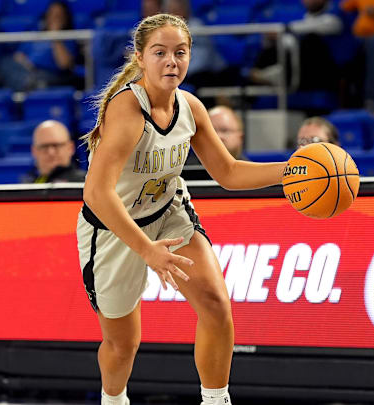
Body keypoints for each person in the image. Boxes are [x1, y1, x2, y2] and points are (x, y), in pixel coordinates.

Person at [77, 14, 287, 405]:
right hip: (113, 227)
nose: (171, 61)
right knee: (123, 345)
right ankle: (113, 398)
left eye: (180, 52)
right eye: (160, 53)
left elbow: (228, 172)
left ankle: (216, 399)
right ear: (140, 58)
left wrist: (291, 170)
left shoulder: (190, 106)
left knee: (215, 303)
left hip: (169, 210)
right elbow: (96, 194)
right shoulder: (127, 110)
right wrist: (147, 250)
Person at [0, 1, 79, 91]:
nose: (54, 19)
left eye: (58, 16)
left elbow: (64, 65)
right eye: (51, 14)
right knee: (5, 62)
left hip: (50, 74)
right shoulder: (36, 35)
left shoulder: (68, 38)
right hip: (27, 70)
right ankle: (30, 84)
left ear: (65, 19)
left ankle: (30, 86)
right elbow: (18, 56)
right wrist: (27, 64)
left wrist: (55, 36)